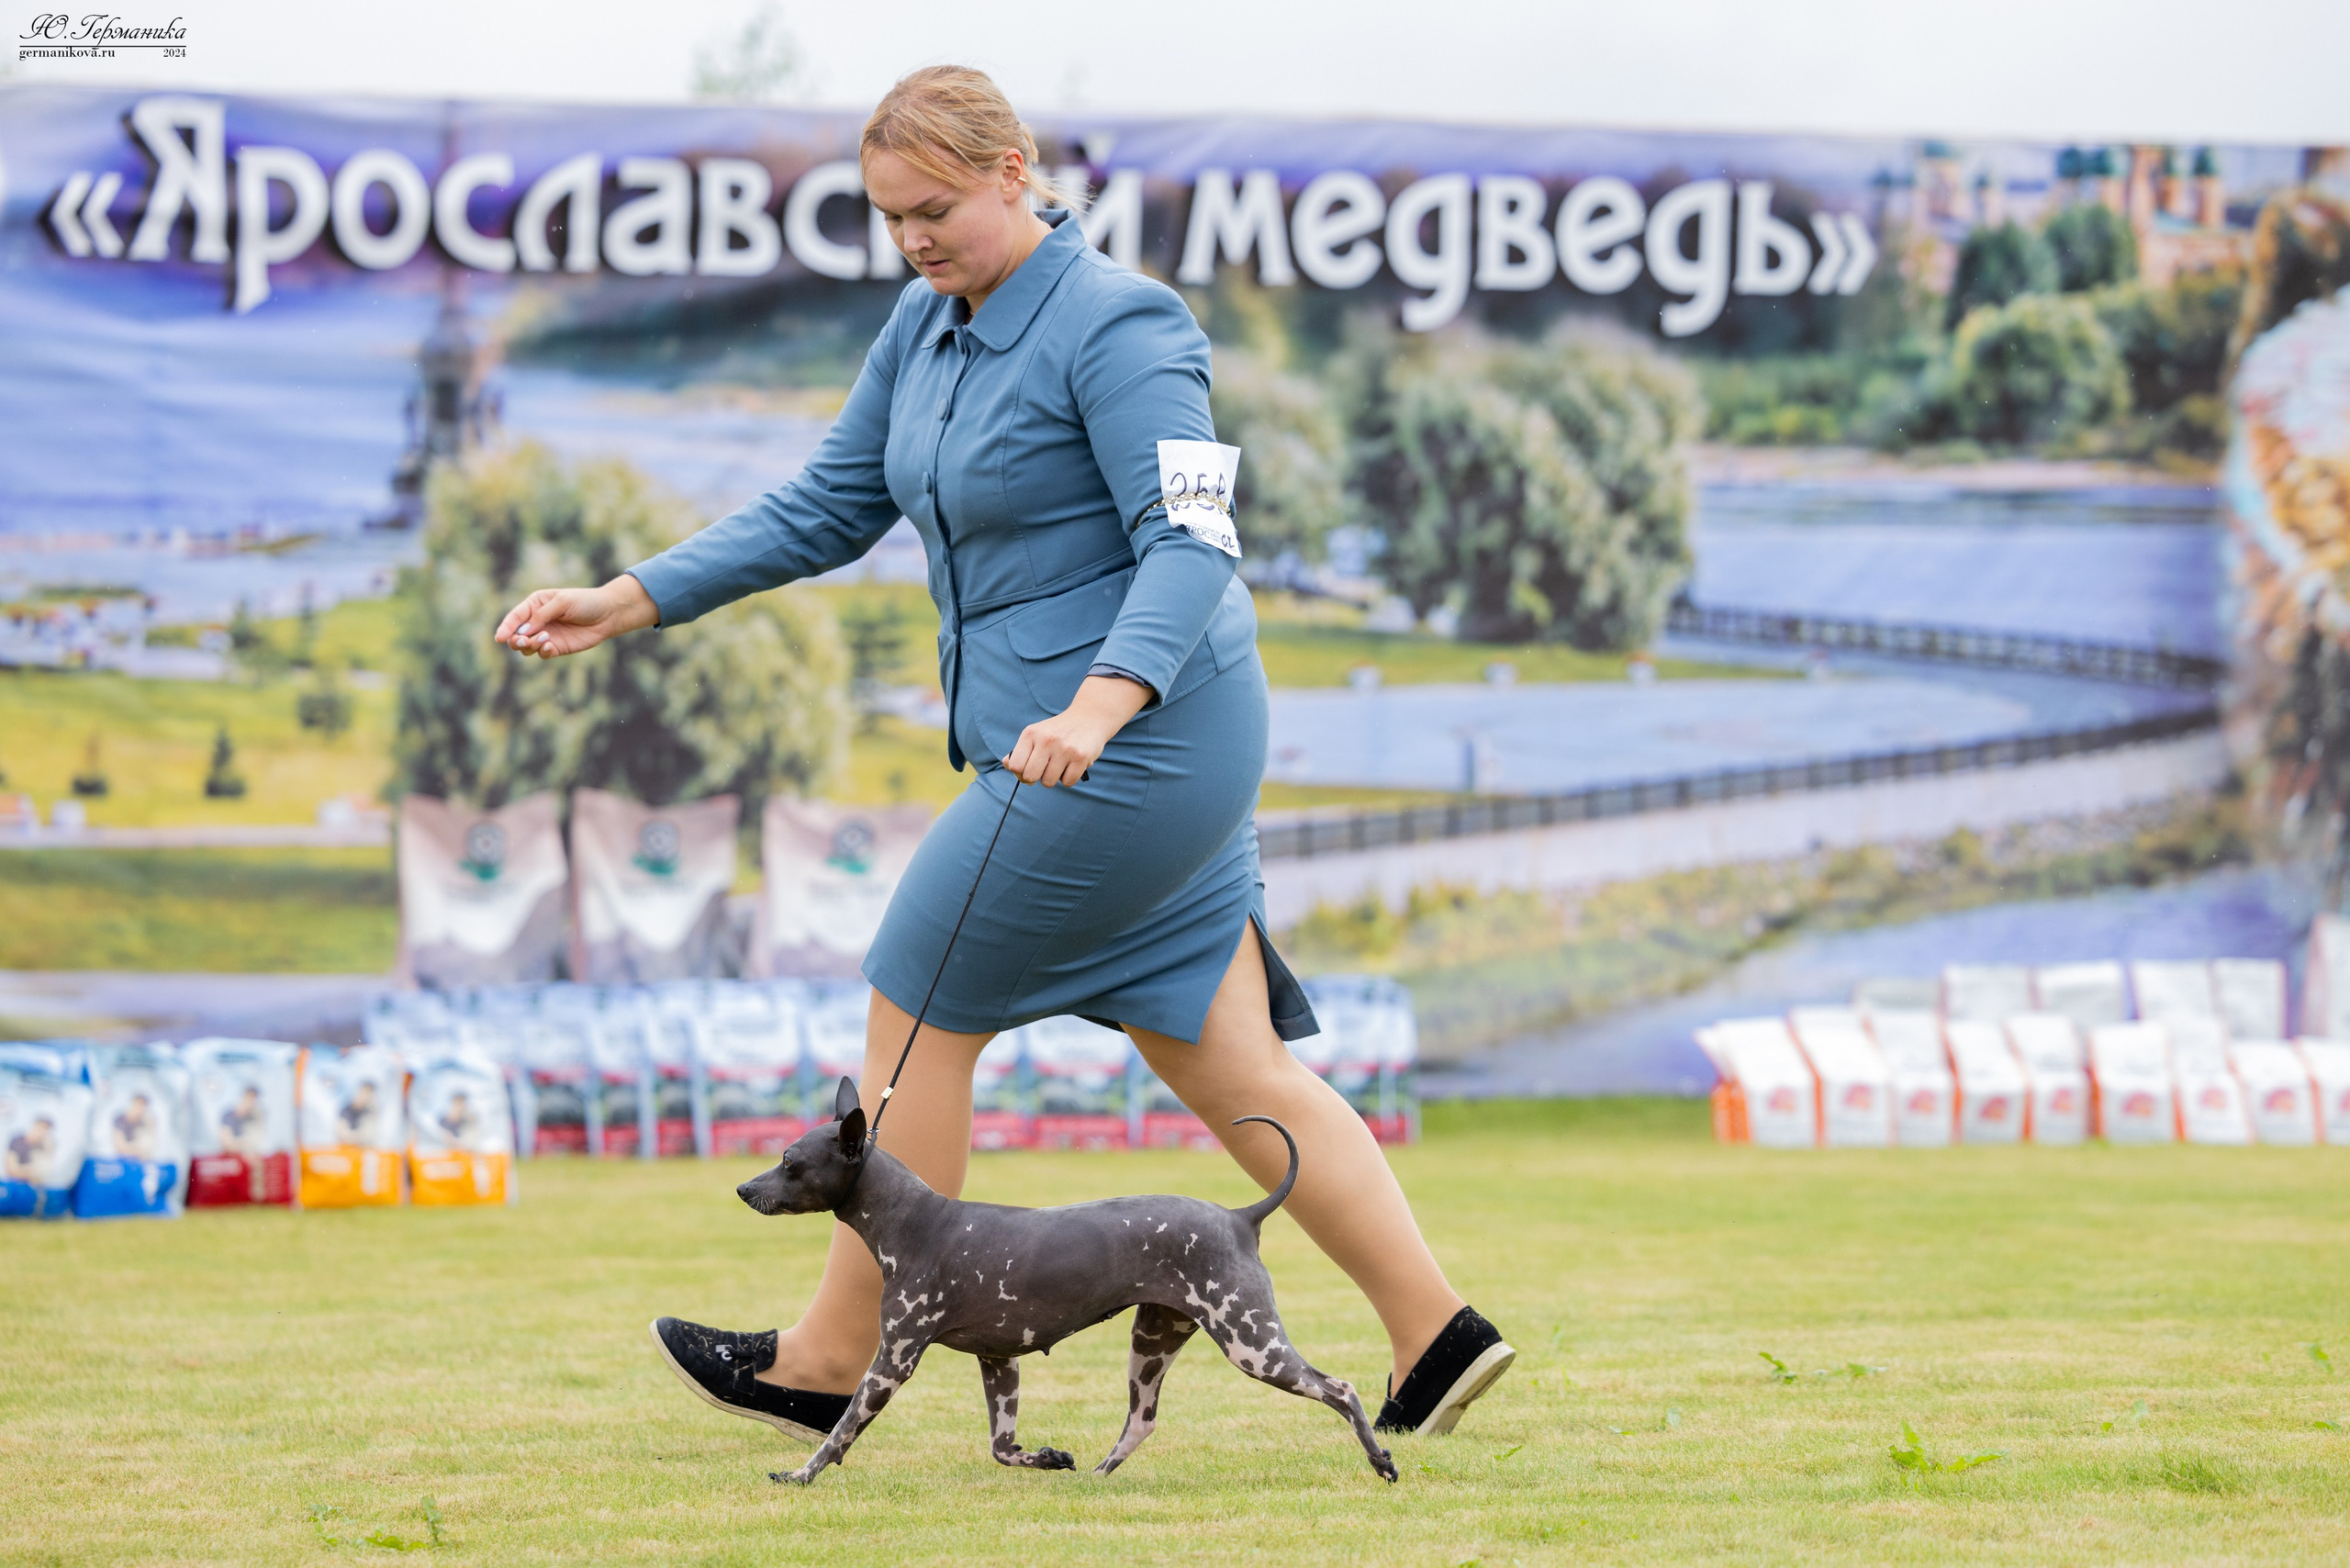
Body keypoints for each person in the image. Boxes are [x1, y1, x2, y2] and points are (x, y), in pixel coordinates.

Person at [495, 64, 1514, 1444]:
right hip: (1093, 752)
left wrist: (1098, 705)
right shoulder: (922, 329)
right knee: (1232, 1065)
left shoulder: (1128, 324)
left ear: (1014, 172)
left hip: (1135, 742)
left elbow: (1192, 544)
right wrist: (633, 596)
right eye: (889, 216)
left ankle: (830, 1358)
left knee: (916, 1000)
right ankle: (1436, 1337)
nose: (912, 240)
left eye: (935, 210)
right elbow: (830, 501)